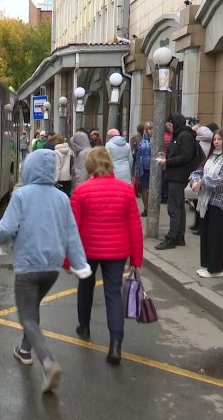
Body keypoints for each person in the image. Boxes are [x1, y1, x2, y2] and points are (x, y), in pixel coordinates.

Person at [0, 149, 92, 393]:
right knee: (32, 308)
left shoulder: (21, 195)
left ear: (29, 168)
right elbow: (72, 235)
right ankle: (25, 350)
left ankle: (48, 363)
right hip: (52, 268)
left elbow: (7, 229)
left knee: (27, 316)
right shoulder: (61, 198)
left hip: (28, 265)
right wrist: (80, 265)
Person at [68, 147, 143, 365]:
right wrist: (136, 259)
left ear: (89, 166)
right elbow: (134, 227)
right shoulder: (126, 190)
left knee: (85, 286)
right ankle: (115, 344)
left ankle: (84, 325)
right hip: (117, 251)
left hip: (88, 249)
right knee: (113, 293)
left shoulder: (81, 191)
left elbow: (72, 229)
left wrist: (67, 259)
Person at [190, 129, 223, 278]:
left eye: (219, 139)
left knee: (216, 235)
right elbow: (199, 171)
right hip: (206, 200)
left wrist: (203, 183)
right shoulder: (211, 156)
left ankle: (216, 269)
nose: (216, 142)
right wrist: (195, 180)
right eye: (214, 139)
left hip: (220, 201)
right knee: (206, 233)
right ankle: (207, 265)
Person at [155, 113, 197, 250]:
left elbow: (186, 156)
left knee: (173, 208)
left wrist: (167, 161)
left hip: (178, 176)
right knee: (178, 207)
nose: (168, 128)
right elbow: (180, 154)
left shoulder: (184, 136)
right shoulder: (179, 135)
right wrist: (166, 156)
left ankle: (171, 238)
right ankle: (179, 236)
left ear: (176, 123)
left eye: (170, 124)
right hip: (176, 175)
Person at [188, 125, 214, 234]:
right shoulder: (209, 145)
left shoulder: (199, 145)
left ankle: (200, 225)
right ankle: (199, 224)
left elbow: (198, 159)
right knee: (199, 202)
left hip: (201, 175)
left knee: (200, 202)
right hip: (202, 175)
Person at [134, 122, 153, 216]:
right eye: (149, 129)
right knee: (145, 188)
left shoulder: (155, 140)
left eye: (152, 128)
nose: (151, 130)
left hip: (153, 167)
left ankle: (151, 208)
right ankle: (146, 208)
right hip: (144, 168)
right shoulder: (140, 140)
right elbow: (137, 155)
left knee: (151, 189)